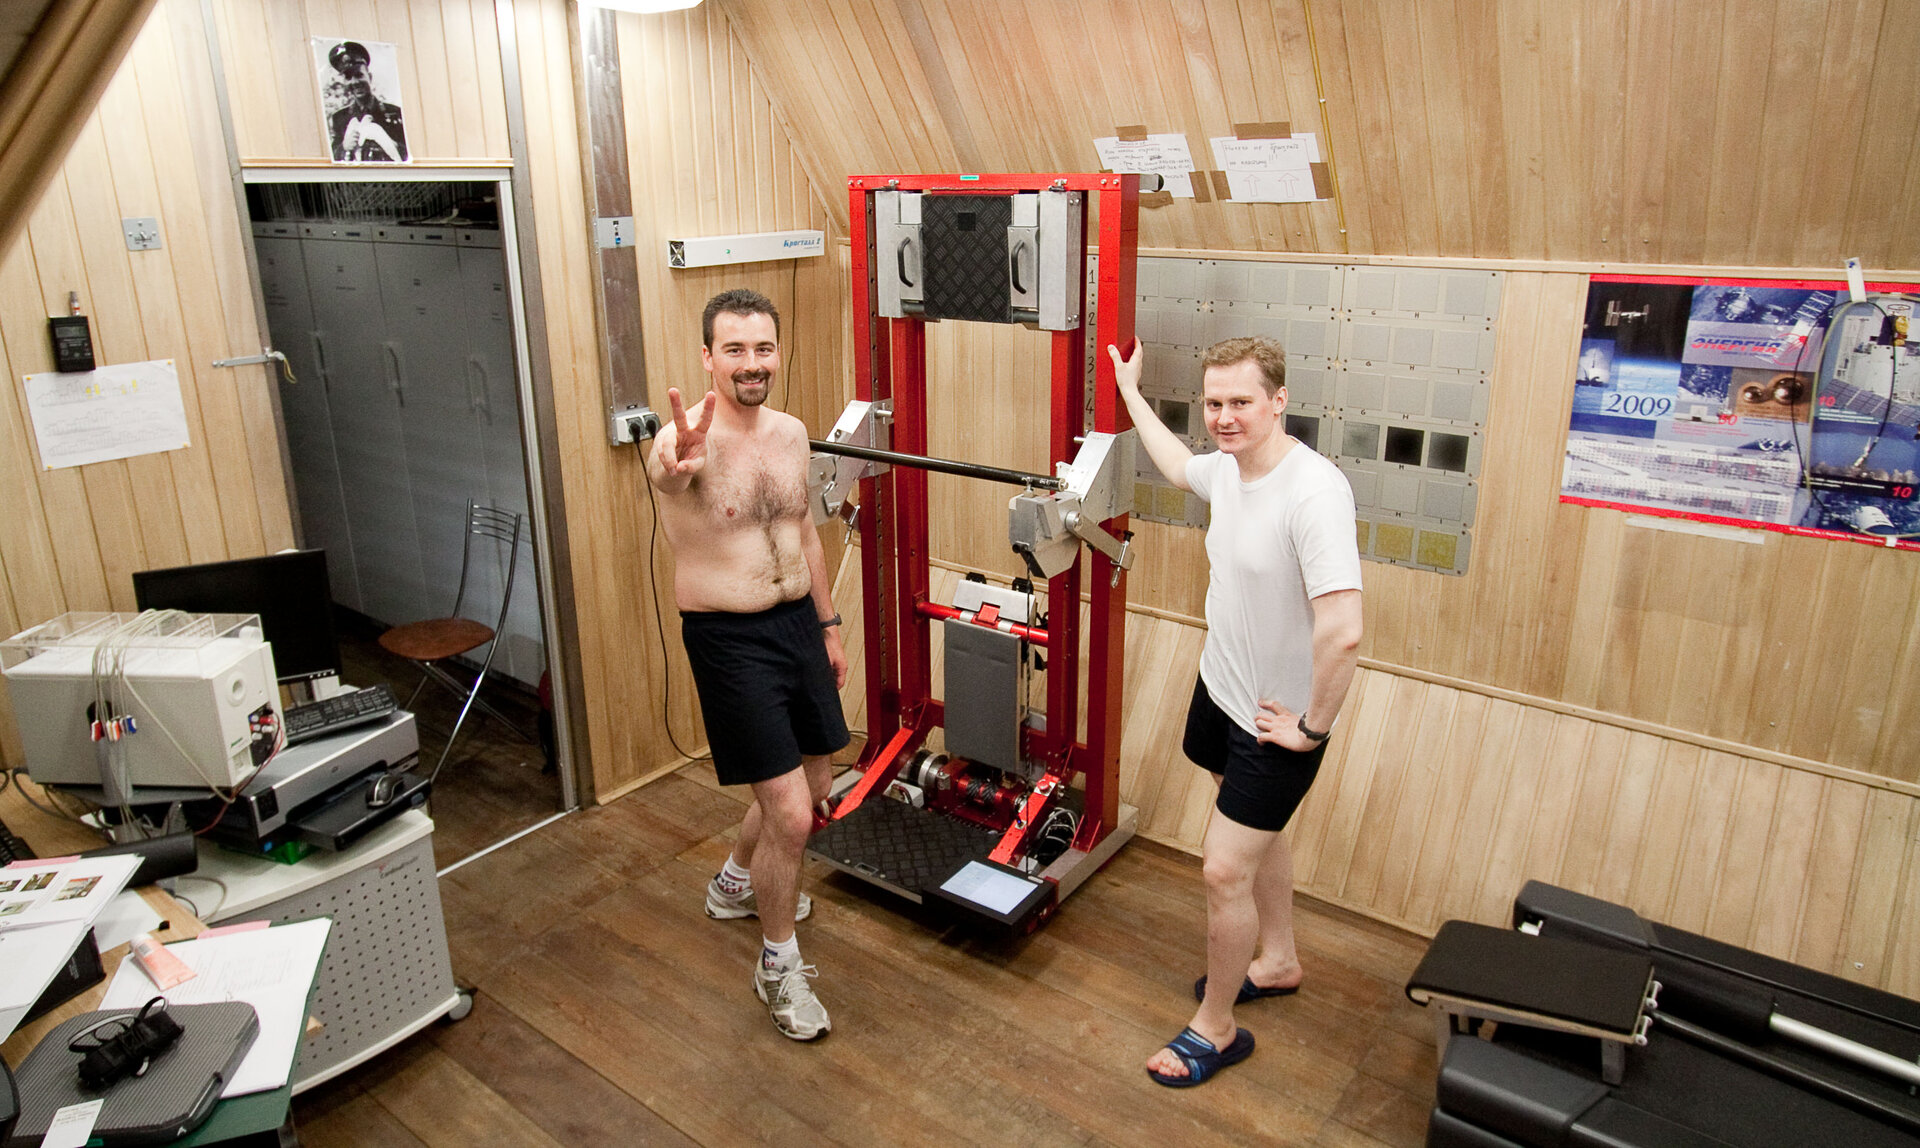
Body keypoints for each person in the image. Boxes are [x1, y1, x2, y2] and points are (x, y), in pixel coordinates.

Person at [1108, 335, 1364, 1087]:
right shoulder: (1226, 471)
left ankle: (1215, 1027)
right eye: (1214, 403)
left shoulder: (1315, 491)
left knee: (1223, 869)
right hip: (1223, 688)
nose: (1223, 417)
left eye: (1240, 403)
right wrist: (1131, 394)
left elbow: (1344, 630)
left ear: (1279, 402)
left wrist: (1311, 729)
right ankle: (1277, 959)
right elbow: (1176, 462)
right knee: (1252, 836)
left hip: (1277, 719)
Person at [646, 288, 849, 1041]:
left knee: (817, 781)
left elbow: (807, 533)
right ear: (708, 357)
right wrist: (678, 460)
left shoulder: (793, 434)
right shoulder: (682, 443)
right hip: (729, 641)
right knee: (792, 813)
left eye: (762, 347)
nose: (752, 363)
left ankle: (736, 883)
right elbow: (669, 474)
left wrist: (827, 625)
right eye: (734, 349)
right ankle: (778, 966)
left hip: (797, 624)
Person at [325, 41, 408, 163]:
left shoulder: (395, 113)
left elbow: (412, 155)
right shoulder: (339, 118)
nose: (355, 82)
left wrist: (390, 144)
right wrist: (344, 147)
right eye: (348, 78)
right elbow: (332, 160)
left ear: (370, 77)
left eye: (359, 75)